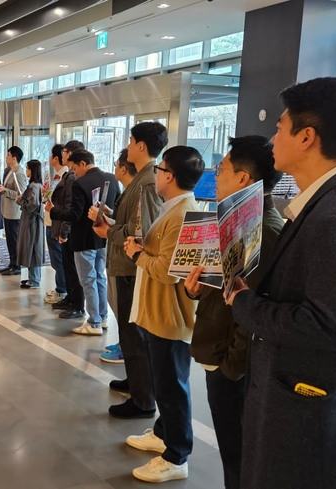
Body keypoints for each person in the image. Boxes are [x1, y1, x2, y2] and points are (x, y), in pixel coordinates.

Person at [228, 77, 336, 489]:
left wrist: (244, 303)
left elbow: (332, 325)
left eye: (280, 128)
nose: (273, 139)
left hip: (307, 417)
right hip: (308, 400)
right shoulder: (335, 201)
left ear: (306, 137)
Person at [181, 136, 284, 489]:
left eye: (221, 169)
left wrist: (231, 368)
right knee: (233, 453)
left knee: (240, 456)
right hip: (222, 354)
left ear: (243, 178)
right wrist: (194, 290)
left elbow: (255, 307)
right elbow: (226, 288)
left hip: (235, 367)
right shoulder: (240, 221)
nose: (215, 176)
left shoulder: (264, 231)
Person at [122, 146, 204, 483]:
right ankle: (163, 433)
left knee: (172, 388)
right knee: (165, 382)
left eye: (160, 170)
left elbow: (169, 272)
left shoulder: (182, 214)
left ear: (169, 176)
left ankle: (176, 455)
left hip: (170, 317)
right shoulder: (174, 208)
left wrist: (136, 253)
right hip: (159, 314)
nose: (156, 175)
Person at [101, 122, 166, 417]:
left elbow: (143, 231)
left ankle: (143, 400)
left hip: (132, 267)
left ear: (141, 145)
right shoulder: (142, 179)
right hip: (125, 264)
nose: (127, 146)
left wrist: (110, 231)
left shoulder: (147, 182)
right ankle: (136, 382)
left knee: (134, 334)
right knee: (128, 333)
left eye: (130, 140)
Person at [48, 149, 117, 335]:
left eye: (75, 168)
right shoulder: (111, 178)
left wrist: (53, 211)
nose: (75, 172)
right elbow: (116, 208)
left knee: (87, 280)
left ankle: (94, 322)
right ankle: (102, 317)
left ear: (83, 164)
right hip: (103, 237)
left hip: (84, 239)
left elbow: (75, 215)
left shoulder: (80, 184)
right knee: (100, 277)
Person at [90, 149, 139, 364]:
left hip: (127, 262)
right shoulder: (129, 190)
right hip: (119, 259)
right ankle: (124, 344)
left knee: (126, 311)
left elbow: (132, 230)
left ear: (123, 169)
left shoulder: (141, 189)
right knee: (119, 307)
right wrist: (110, 214)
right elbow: (124, 221)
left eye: (116, 164)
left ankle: (127, 350)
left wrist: (108, 231)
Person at [47, 141, 87, 320]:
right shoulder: (68, 175)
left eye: (63, 151)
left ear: (69, 153)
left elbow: (70, 207)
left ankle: (77, 305)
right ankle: (70, 298)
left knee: (72, 268)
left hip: (69, 230)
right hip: (62, 227)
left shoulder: (72, 177)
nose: (61, 154)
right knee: (68, 266)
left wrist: (64, 231)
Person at [0, 146, 28, 276]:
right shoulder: (9, 171)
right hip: (7, 211)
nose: (6, 157)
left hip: (15, 213)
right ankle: (12, 263)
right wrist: (0, 189)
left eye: (8, 155)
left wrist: (5, 191)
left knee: (14, 240)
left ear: (14, 158)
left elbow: (21, 193)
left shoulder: (19, 173)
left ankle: (16, 265)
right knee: (9, 240)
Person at [44, 144, 68, 304]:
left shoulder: (65, 176)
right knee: (55, 259)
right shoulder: (57, 176)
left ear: (56, 158)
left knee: (59, 259)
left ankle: (62, 290)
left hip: (56, 223)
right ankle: (60, 287)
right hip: (50, 220)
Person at [16, 160, 45, 289]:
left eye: (27, 168)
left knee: (32, 248)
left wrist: (20, 201)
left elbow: (32, 205)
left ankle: (34, 280)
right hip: (33, 221)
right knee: (32, 248)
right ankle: (33, 277)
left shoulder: (34, 186)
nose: (26, 171)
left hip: (31, 222)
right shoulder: (37, 185)